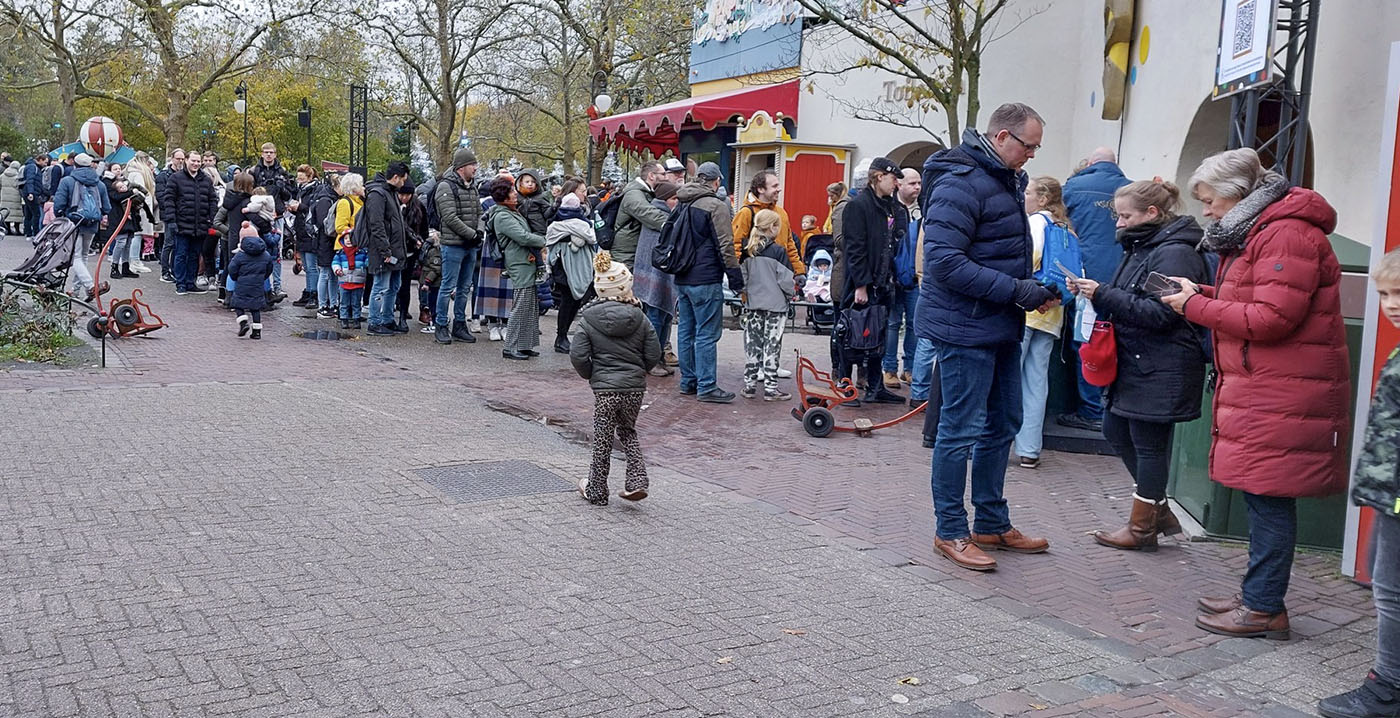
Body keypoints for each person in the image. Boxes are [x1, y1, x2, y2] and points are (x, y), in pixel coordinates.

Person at [1158, 148, 1349, 639]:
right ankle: (1258, 597)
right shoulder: (1264, 229)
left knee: (1269, 499)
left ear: (1238, 194)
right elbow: (1257, 301)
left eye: (1209, 200)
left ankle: (1264, 607)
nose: (1206, 211)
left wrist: (1193, 307)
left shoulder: (1285, 233)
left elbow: (1271, 319)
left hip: (1283, 391)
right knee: (1263, 498)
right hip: (1271, 387)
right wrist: (1201, 293)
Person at [920, 102, 1058, 572]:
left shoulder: (1003, 180)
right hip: (964, 327)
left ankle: (991, 522)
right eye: (1029, 145)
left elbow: (995, 255)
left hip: (997, 322)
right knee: (958, 431)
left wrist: (1032, 289)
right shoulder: (960, 183)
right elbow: (944, 263)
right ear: (1001, 138)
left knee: (1003, 422)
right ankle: (951, 530)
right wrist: (1019, 290)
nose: (1033, 155)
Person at [1073, 179, 1209, 549]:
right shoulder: (1142, 246)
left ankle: (1143, 527)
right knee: (1116, 430)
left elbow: (1162, 314)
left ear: (1152, 213)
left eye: (1124, 216)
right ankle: (1156, 509)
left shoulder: (1174, 253)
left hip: (1161, 363)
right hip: (1137, 360)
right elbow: (1131, 300)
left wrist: (1104, 293)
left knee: (1148, 444)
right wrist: (1098, 293)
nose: (1118, 223)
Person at [1318, 249, 1400, 718]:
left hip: (1396, 495)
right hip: (1388, 492)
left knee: (1390, 588)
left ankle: (1387, 687)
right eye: (1385, 294)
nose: (1391, 303)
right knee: (1382, 577)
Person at [570, 251, 662, 506]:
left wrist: (593, 375)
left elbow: (578, 355)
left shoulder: (588, 320)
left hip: (605, 390)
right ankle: (637, 480)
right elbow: (653, 352)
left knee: (602, 438)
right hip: (633, 388)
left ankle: (597, 490)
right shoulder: (640, 317)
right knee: (628, 431)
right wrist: (639, 370)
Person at [1059, 147, 1131, 433]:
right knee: (1117, 343)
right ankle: (1112, 408)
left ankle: (1091, 410)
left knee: (1087, 340)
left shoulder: (1074, 187)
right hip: (1125, 275)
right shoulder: (1132, 189)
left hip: (1086, 274)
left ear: (1090, 164)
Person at [1012, 177, 1072, 469]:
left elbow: (1029, 258)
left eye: (1028, 192)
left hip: (1027, 309)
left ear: (1043, 199)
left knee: (1009, 376)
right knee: (1037, 381)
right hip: (1053, 314)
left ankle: (994, 440)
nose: (1024, 197)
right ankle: (1030, 448)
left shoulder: (1036, 223)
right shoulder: (1065, 229)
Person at [837, 156, 905, 405]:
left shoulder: (888, 206)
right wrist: (861, 285)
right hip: (862, 283)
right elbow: (855, 248)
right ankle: (845, 387)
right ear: (879, 177)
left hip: (883, 281)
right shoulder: (858, 206)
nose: (896, 184)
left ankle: (875, 387)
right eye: (893, 178)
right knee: (851, 334)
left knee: (878, 336)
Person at [672, 162, 742, 403]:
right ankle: (707, 386)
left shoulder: (682, 201)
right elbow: (725, 245)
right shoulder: (715, 205)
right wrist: (736, 279)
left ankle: (688, 381)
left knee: (686, 329)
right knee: (706, 333)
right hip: (705, 277)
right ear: (716, 181)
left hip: (682, 276)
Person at [488, 177, 547, 359]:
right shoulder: (503, 216)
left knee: (529, 305)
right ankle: (511, 347)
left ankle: (524, 345)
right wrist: (544, 241)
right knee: (521, 305)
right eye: (512, 192)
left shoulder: (511, 212)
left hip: (524, 260)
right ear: (504, 197)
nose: (516, 193)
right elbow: (522, 237)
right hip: (518, 262)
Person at [740, 208, 795, 402]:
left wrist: (746, 295)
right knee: (772, 345)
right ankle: (771, 388)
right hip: (776, 306)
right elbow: (786, 281)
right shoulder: (779, 252)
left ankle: (749, 385)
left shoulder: (747, 251)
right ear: (773, 228)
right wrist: (792, 294)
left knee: (752, 345)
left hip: (754, 304)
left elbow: (743, 280)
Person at [434, 148, 482, 344]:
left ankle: (460, 323)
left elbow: (480, 213)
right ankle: (441, 324)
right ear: (462, 167)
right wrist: (472, 234)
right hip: (453, 245)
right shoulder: (445, 187)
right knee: (448, 286)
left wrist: (478, 232)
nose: (476, 168)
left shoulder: (473, 187)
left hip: (470, 245)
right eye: (473, 165)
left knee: (465, 287)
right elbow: (450, 217)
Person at [632, 180, 680, 376]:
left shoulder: (667, 216)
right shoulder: (658, 218)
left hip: (662, 275)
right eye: (674, 198)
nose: (677, 202)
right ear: (664, 199)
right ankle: (651, 361)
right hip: (653, 275)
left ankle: (659, 357)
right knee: (655, 319)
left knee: (664, 318)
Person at [882, 166, 922, 390]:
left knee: (915, 324)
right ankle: (889, 368)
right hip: (894, 277)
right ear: (900, 184)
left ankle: (910, 368)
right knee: (893, 323)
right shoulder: (891, 209)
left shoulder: (924, 209)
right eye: (912, 183)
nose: (917, 187)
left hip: (916, 277)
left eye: (919, 183)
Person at [50, 153, 111, 301]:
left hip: (73, 222)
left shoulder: (68, 181)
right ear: (91, 165)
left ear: (74, 165)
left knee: (75, 256)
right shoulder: (99, 183)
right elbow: (107, 207)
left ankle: (90, 287)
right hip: (91, 224)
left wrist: (62, 215)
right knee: (83, 256)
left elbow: (58, 205)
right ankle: (76, 291)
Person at [545, 188, 599, 354]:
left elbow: (551, 238)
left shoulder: (556, 224)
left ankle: (562, 336)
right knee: (568, 300)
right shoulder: (582, 224)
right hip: (567, 265)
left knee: (573, 300)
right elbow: (591, 237)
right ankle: (561, 337)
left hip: (563, 264)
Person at [160, 150, 216, 295]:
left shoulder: (206, 180)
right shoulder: (176, 178)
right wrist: (172, 220)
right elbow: (169, 199)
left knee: (195, 254)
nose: (196, 164)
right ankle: (181, 284)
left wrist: (211, 217)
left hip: (200, 224)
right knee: (181, 254)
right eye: (193, 161)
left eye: (198, 161)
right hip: (182, 223)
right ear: (186, 160)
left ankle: (191, 282)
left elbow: (212, 200)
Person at [363, 161, 410, 335]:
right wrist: (385, 250)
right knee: (382, 286)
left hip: (393, 249)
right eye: (403, 179)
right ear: (396, 177)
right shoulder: (379, 194)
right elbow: (376, 224)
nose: (404, 183)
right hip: (385, 250)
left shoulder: (388, 193)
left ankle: (387, 319)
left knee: (392, 286)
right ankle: (375, 322)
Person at [732, 169, 806, 276]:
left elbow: (790, 245)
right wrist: (735, 275)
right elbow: (735, 245)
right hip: (756, 276)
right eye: (774, 186)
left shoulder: (782, 213)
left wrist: (799, 271)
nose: (779, 189)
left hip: (781, 275)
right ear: (761, 189)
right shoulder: (746, 213)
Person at [612, 161, 670, 269]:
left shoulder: (644, 192)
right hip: (626, 257)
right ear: (651, 176)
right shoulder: (633, 194)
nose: (666, 177)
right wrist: (675, 225)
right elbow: (650, 215)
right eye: (663, 174)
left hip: (633, 253)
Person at [227, 222, 274, 339]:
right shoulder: (265, 254)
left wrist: (235, 277)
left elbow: (232, 268)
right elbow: (269, 268)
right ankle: (257, 332)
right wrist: (262, 277)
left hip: (242, 284)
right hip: (258, 285)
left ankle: (243, 322)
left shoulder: (240, 255)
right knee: (255, 307)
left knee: (238, 304)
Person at [395, 181, 428, 333]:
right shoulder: (393, 204)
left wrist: (418, 242)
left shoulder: (418, 207)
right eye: (401, 194)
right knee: (394, 283)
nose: (403, 198)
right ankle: (395, 309)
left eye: (406, 195)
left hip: (410, 250)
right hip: (396, 250)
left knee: (405, 283)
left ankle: (402, 314)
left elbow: (424, 230)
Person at [290, 165, 322, 308]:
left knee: (312, 266)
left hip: (309, 232)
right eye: (298, 178)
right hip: (301, 230)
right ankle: (308, 291)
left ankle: (314, 294)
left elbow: (312, 209)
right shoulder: (301, 190)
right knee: (307, 266)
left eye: (302, 178)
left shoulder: (316, 190)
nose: (299, 180)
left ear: (310, 178)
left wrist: (300, 207)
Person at [825, 181, 850, 305]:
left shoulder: (841, 207)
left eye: (831, 196)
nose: (830, 199)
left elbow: (839, 238)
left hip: (842, 262)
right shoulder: (838, 206)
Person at [21, 153, 50, 239]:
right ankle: (35, 233)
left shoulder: (31, 166)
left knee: (28, 214)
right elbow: (30, 180)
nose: (46, 164)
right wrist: (31, 193)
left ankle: (28, 233)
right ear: (40, 160)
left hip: (28, 192)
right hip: (32, 193)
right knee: (36, 213)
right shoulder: (33, 167)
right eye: (45, 162)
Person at [1, 160, 23, 236]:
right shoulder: (17, 176)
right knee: (16, 214)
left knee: (7, 214)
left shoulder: (2, 175)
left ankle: (8, 229)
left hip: (4, 196)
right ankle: (17, 229)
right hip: (15, 197)